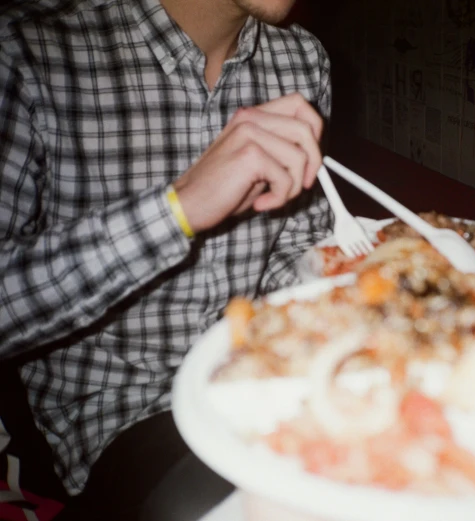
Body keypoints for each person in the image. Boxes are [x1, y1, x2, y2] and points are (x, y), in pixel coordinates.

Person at [0, 0, 335, 519]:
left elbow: (295, 244)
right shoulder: (27, 48)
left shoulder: (302, 60)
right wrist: (176, 210)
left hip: (263, 382)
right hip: (116, 416)